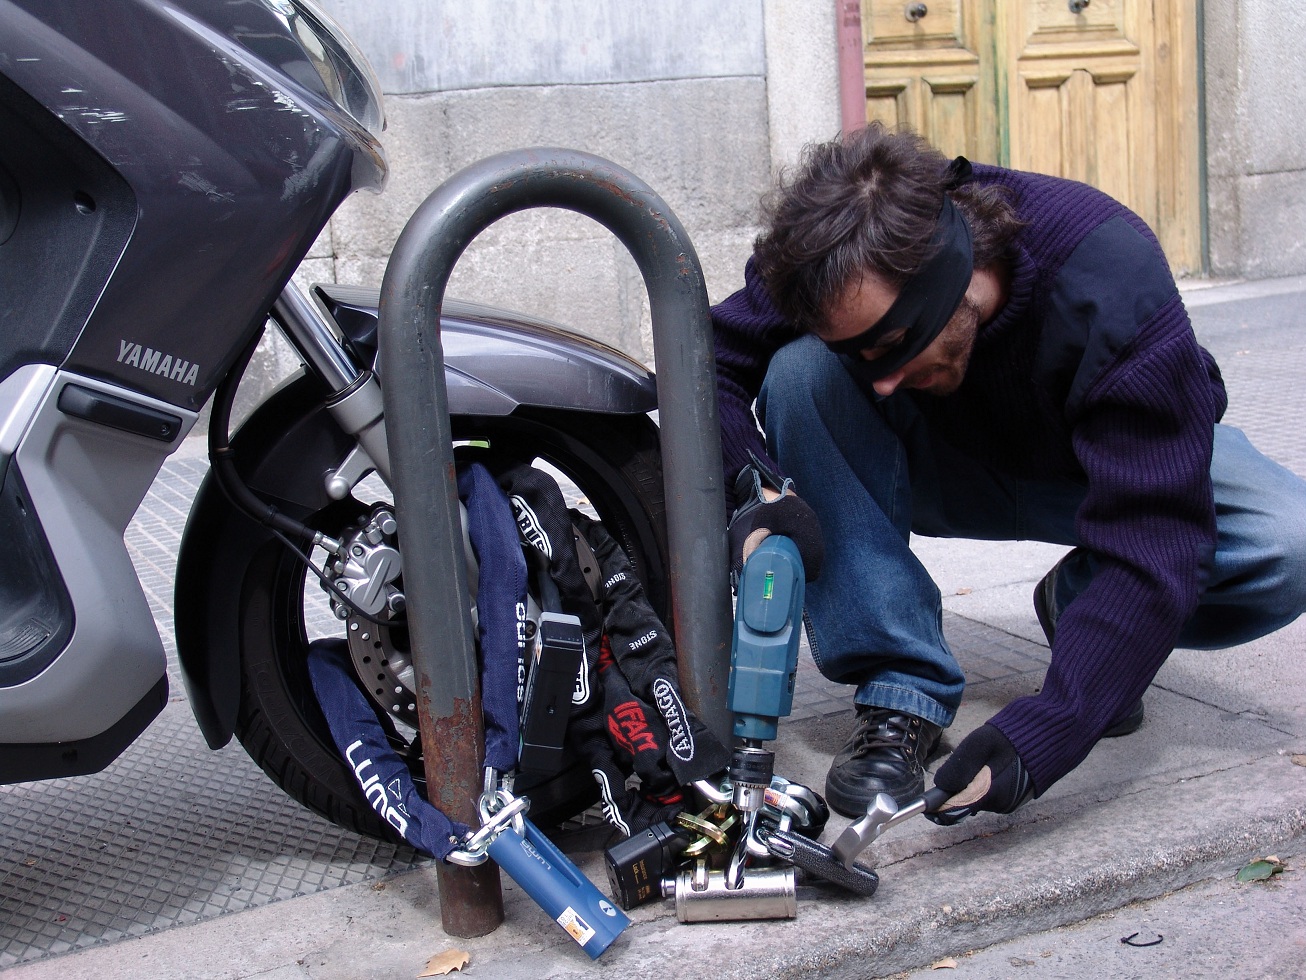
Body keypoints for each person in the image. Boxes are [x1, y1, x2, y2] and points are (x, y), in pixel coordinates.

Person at [713, 122, 1306, 823]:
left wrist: (1048, 730)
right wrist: (759, 490)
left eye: (899, 343)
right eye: (865, 355)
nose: (881, 380)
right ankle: (900, 689)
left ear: (951, 269)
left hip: (1104, 468)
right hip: (940, 463)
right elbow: (707, 361)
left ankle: (1084, 608)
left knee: (1286, 540)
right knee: (801, 372)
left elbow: (1158, 540)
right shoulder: (827, 262)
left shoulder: (1106, 268)